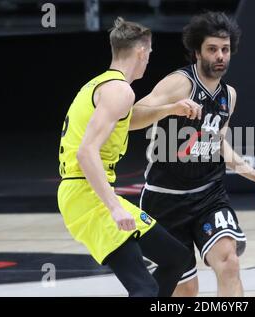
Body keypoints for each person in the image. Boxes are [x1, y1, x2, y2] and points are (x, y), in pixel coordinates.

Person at [130, 12, 255, 297]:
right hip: (165, 198)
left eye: (225, 49)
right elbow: (132, 117)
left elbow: (218, 141)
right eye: (212, 49)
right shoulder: (180, 83)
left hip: (208, 195)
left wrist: (253, 172)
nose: (220, 55)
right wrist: (169, 109)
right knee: (186, 290)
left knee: (229, 262)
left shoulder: (228, 95)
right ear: (197, 52)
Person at [57, 17, 190, 297]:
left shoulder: (102, 85)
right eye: (150, 53)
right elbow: (86, 152)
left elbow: (127, 122)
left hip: (88, 191)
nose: (149, 59)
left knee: (176, 259)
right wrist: (114, 208)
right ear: (141, 51)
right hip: (86, 195)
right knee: (144, 289)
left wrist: (169, 109)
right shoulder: (120, 91)